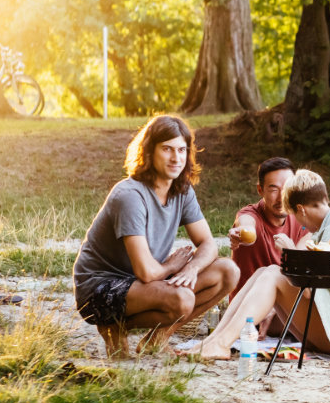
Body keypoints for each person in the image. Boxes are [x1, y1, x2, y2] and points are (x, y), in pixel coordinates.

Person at [72, 115, 239, 358]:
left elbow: (208, 244)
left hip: (145, 283)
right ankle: (112, 326)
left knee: (227, 272)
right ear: (150, 152)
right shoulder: (130, 196)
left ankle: (156, 340)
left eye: (182, 150)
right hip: (100, 288)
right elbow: (146, 272)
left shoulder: (182, 191)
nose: (176, 158)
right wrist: (171, 266)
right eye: (167, 149)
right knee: (182, 299)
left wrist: (191, 268)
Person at [195, 169, 330, 361]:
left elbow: (308, 292)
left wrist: (290, 252)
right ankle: (215, 340)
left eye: (295, 215)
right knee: (266, 271)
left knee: (273, 275)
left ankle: (220, 343)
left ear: (301, 209)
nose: (300, 223)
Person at [226, 157, 303, 297]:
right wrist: (241, 233)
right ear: (260, 190)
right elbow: (247, 226)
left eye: (287, 189)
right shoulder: (250, 214)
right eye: (274, 189)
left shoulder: (301, 219)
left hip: (285, 307)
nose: (281, 198)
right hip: (250, 309)